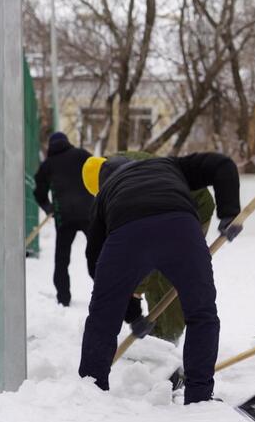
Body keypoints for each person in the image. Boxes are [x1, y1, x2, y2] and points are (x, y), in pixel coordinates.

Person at [78, 152, 241, 404]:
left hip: (127, 233)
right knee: (202, 314)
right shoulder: (168, 164)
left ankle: (91, 394)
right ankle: (199, 397)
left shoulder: (106, 193)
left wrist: (129, 313)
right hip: (180, 228)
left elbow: (96, 261)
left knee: (102, 318)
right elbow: (223, 164)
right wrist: (229, 211)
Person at [113, 150, 216, 343]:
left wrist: (134, 291)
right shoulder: (117, 167)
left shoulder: (133, 187)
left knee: (167, 272)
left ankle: (167, 338)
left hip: (193, 208)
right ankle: (159, 333)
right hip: (173, 203)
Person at [33, 132, 94, 306]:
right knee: (97, 253)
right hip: (89, 212)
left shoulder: (48, 165)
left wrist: (48, 207)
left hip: (64, 216)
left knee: (61, 259)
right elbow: (99, 172)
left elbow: (39, 192)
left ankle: (63, 298)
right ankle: (105, 293)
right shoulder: (82, 155)